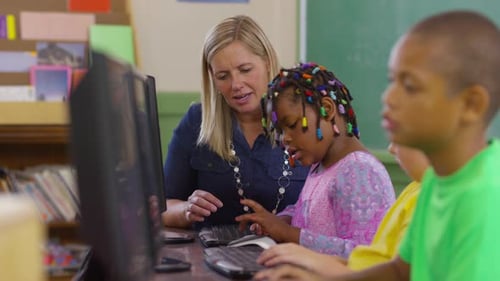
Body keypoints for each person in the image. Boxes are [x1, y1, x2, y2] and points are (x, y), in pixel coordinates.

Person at [254, 10, 500, 281]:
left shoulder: (486, 197)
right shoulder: (436, 183)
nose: (389, 97)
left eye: (409, 86)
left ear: (471, 105)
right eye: (392, 81)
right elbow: (399, 271)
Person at [161, 15, 309, 229]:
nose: (236, 84)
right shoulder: (197, 121)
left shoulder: (305, 120)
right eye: (223, 76)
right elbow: (162, 208)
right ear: (212, 77)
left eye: (245, 70)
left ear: (267, 62)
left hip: (286, 256)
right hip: (210, 257)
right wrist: (185, 210)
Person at [235, 62, 395, 257]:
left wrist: (288, 234)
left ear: (327, 109)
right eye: (280, 131)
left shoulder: (359, 170)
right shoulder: (321, 166)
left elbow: (364, 255)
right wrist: (278, 221)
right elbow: (307, 214)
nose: (284, 138)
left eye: (292, 125)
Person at [254, 142, 429, 277]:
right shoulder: (416, 189)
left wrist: (319, 268)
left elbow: (398, 274)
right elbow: (374, 262)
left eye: (402, 135)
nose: (390, 149)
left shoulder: (361, 169)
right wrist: (309, 261)